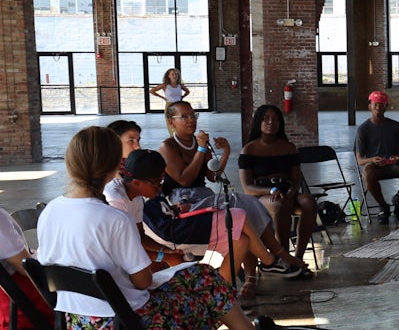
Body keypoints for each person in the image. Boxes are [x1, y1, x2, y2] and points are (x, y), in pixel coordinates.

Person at [38, 127, 274, 330]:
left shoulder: (50, 210)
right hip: (120, 324)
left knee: (203, 276)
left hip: (78, 324)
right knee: (197, 304)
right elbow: (142, 281)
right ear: (116, 165)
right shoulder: (112, 217)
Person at [159, 101, 305, 277]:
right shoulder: (168, 146)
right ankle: (273, 259)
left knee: (248, 205)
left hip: (204, 195)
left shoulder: (199, 143)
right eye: (184, 116)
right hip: (183, 200)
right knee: (239, 202)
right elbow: (184, 179)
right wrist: (201, 149)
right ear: (171, 121)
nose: (191, 120)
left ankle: (273, 258)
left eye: (193, 115)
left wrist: (226, 152)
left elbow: (213, 175)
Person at [110, 149, 272, 294]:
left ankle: (221, 297)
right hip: (121, 269)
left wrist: (166, 252)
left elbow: (140, 236)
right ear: (137, 182)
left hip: (143, 250)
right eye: (157, 183)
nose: (160, 189)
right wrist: (163, 256)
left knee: (241, 240)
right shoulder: (116, 201)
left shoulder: (136, 196)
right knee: (236, 215)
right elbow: (128, 249)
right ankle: (269, 260)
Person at [238, 104, 317, 262]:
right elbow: (248, 187)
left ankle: (299, 257)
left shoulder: (288, 147)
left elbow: (296, 179)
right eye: (266, 119)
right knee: (278, 205)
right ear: (258, 123)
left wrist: (292, 192)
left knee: (309, 202)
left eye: (275, 119)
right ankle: (284, 258)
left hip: (287, 191)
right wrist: (271, 190)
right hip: (264, 194)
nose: (270, 122)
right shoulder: (249, 150)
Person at [354, 90, 399, 224]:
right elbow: (360, 160)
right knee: (367, 172)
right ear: (370, 106)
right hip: (376, 168)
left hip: (395, 165)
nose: (378, 108)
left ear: (386, 107)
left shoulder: (395, 126)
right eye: (375, 105)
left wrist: (397, 157)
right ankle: (383, 206)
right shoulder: (363, 129)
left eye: (382, 105)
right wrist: (372, 160)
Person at [150, 68, 190, 134]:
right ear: (168, 76)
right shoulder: (165, 85)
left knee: (180, 123)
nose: (174, 76)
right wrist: (162, 97)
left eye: (176, 74)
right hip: (170, 105)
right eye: (172, 74)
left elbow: (187, 91)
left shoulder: (180, 85)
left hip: (179, 106)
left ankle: (180, 138)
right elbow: (152, 91)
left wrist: (182, 97)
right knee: (171, 124)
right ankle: (173, 138)